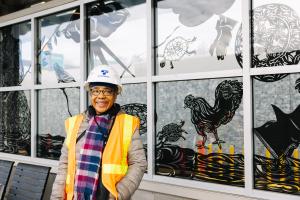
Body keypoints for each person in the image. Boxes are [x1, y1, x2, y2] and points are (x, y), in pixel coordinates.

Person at [50, 65, 147, 200]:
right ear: (90, 93)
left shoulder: (127, 124)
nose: (101, 96)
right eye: (96, 91)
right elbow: (64, 164)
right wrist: (56, 197)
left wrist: (119, 194)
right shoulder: (75, 123)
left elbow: (139, 163)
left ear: (115, 94)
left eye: (107, 91)